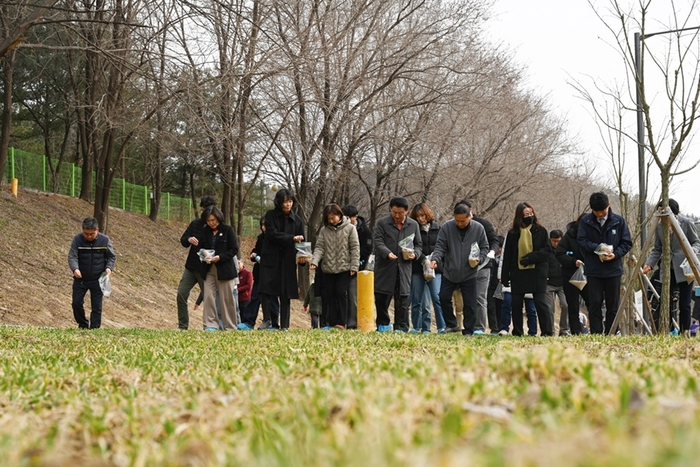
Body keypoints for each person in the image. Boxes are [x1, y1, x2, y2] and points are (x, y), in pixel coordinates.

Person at [577, 192, 633, 334]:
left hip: (613, 269)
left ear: (609, 205)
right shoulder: (586, 222)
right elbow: (582, 241)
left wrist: (615, 254)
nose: (600, 215)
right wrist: (597, 248)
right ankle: (596, 332)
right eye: (597, 212)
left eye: (603, 211)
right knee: (594, 303)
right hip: (593, 269)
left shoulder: (619, 221)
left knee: (612, 305)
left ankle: (611, 332)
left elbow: (627, 243)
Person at [429, 202, 489, 335]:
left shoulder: (479, 228)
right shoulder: (447, 227)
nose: (460, 223)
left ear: (470, 216)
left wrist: (480, 259)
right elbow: (440, 247)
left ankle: (468, 330)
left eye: (463, 221)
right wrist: (435, 259)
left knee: (470, 304)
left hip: (470, 272)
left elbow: (485, 247)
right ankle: (452, 324)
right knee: (443, 297)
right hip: (450, 271)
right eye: (457, 220)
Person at [642, 198, 700, 333]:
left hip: (685, 269)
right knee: (665, 301)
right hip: (667, 268)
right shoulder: (659, 226)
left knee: (684, 303)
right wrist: (649, 264)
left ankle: (685, 332)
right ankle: (666, 330)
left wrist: (690, 254)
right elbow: (657, 248)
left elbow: (696, 242)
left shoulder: (686, 223)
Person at [501, 202, 553, 336]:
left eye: (531, 213)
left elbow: (547, 251)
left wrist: (531, 257)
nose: (529, 216)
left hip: (537, 272)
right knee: (516, 303)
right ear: (519, 216)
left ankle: (547, 332)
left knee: (541, 303)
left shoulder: (541, 231)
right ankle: (518, 331)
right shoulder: (513, 233)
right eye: (526, 214)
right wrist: (504, 275)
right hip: (518, 272)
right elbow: (507, 255)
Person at [258, 188, 306, 331]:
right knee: (266, 288)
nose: (288, 205)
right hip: (271, 258)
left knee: (285, 294)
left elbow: (302, 241)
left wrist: (303, 258)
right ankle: (267, 319)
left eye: (290, 201)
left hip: (288, 260)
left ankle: (285, 325)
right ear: (279, 202)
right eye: (285, 202)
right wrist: (291, 238)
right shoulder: (270, 216)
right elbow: (272, 234)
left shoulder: (297, 220)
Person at [373, 196, 422, 332]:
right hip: (385, 266)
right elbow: (378, 241)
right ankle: (383, 324)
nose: (397, 215)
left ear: (406, 211)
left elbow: (418, 244)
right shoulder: (383, 223)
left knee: (403, 299)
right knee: (382, 297)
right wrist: (387, 253)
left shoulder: (413, 225)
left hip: (404, 267)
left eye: (400, 213)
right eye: (394, 212)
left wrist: (415, 254)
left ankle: (400, 326)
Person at [310, 203, 360, 329]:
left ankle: (342, 322)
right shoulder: (324, 230)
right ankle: (332, 323)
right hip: (328, 268)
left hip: (345, 268)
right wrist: (314, 262)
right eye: (329, 219)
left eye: (333, 218)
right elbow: (319, 247)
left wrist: (354, 266)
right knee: (330, 294)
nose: (331, 221)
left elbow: (355, 248)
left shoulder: (350, 228)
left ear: (339, 215)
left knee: (341, 292)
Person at [68, 217, 117, 329]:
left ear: (97, 230)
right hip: (81, 279)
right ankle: (83, 324)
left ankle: (94, 328)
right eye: (86, 233)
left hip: (98, 279)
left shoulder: (104, 240)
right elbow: (72, 256)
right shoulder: (77, 240)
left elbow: (111, 257)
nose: (89, 236)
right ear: (82, 230)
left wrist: (109, 268)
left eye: (91, 234)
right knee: (76, 303)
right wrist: (75, 269)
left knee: (97, 306)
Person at [176, 196, 217, 330]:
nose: (202, 212)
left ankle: (211, 326)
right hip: (191, 267)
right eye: (202, 210)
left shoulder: (217, 228)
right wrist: (189, 239)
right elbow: (183, 240)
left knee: (210, 299)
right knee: (181, 294)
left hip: (205, 270)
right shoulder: (195, 224)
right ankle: (183, 326)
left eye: (204, 210)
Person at [460, 200, 500, 334]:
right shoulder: (455, 226)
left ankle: (479, 327)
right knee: (467, 298)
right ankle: (468, 327)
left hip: (483, 265)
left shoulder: (484, 224)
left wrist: (492, 252)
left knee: (480, 297)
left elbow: (495, 240)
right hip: (464, 267)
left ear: (471, 210)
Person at [199, 206, 239, 331]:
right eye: (209, 220)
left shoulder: (228, 230)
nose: (212, 223)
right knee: (209, 296)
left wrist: (220, 257)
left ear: (219, 218)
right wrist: (204, 253)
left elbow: (234, 249)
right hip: (209, 268)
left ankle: (230, 326)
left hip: (225, 269)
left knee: (226, 299)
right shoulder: (205, 231)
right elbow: (200, 247)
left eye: (214, 220)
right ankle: (210, 325)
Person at [408, 202, 445, 333]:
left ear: (427, 214)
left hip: (435, 268)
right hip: (418, 268)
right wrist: (424, 259)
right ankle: (418, 327)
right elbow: (412, 247)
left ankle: (442, 327)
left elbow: (443, 247)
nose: (421, 219)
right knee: (417, 300)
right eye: (418, 216)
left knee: (437, 298)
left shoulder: (439, 228)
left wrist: (435, 259)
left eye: (423, 215)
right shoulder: (413, 228)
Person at [556, 213, 590, 335]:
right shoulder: (569, 236)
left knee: (593, 303)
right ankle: (576, 332)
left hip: (589, 275)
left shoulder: (594, 235)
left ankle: (596, 329)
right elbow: (559, 254)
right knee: (573, 306)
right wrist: (573, 261)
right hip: (571, 276)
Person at [497, 235, 538, 336]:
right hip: (513, 276)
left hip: (530, 276)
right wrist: (501, 274)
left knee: (531, 308)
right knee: (507, 302)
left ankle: (532, 331)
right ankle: (504, 328)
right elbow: (504, 258)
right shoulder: (511, 234)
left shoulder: (536, 234)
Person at [342, 204, 373, 329]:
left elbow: (368, 248)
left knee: (353, 296)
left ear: (356, 216)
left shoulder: (365, 231)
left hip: (358, 268)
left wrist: (357, 260)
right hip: (343, 266)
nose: (348, 220)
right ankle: (341, 322)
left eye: (351, 218)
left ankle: (352, 323)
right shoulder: (342, 228)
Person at [545, 229, 570, 336]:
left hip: (562, 283)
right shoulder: (545, 249)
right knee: (549, 308)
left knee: (566, 305)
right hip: (548, 283)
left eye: (559, 241)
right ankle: (550, 331)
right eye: (554, 241)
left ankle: (564, 330)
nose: (556, 243)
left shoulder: (566, 249)